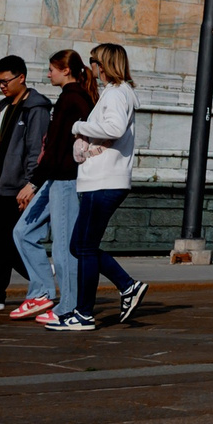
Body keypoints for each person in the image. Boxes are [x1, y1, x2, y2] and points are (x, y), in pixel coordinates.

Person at [67, 42, 148, 329]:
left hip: (103, 182)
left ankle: (84, 313)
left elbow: (113, 129)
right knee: (80, 246)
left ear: (103, 64)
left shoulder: (115, 94)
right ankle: (126, 286)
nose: (91, 67)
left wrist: (79, 126)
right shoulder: (118, 93)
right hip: (101, 181)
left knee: (84, 247)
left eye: (93, 61)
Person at [12, 50, 92, 324]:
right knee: (22, 231)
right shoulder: (67, 98)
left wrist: (33, 183)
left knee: (62, 248)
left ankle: (68, 306)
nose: (48, 74)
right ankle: (43, 291)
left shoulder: (75, 98)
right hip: (53, 179)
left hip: (66, 180)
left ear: (66, 70)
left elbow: (59, 148)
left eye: (51, 69)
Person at [0, 55, 51, 312]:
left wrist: (30, 185)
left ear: (21, 78)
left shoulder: (36, 108)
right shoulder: (2, 107)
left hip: (17, 188)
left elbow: (35, 149)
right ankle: (42, 273)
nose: (1, 86)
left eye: (5, 81)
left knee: (4, 238)